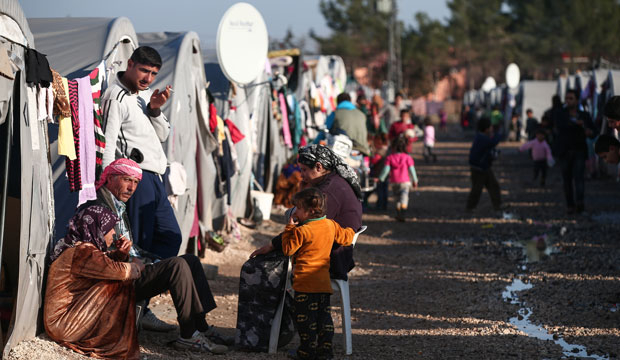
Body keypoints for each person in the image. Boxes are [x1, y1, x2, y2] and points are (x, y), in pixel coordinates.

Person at [91, 159, 229, 354]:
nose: (131, 188)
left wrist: (152, 262)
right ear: (111, 178)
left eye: (136, 182)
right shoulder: (101, 207)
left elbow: (133, 249)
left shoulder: (119, 205)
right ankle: (189, 336)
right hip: (119, 279)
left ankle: (201, 327)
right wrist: (133, 262)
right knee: (177, 266)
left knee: (190, 261)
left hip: (131, 269)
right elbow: (101, 255)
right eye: (126, 180)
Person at [250, 188, 355, 360]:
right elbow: (346, 238)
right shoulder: (330, 225)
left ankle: (306, 352)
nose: (295, 211)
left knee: (305, 320)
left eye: (298, 208)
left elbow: (288, 249)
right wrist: (352, 231)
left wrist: (290, 228)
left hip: (304, 283)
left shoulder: (301, 231)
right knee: (323, 318)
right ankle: (325, 351)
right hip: (323, 283)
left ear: (310, 211)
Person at [102, 46, 181, 259]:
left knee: (170, 237)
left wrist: (154, 109)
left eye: (154, 73)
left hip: (155, 177)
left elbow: (164, 134)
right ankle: (136, 290)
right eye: (144, 70)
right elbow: (107, 143)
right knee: (138, 240)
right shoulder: (115, 96)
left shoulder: (146, 95)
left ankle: (146, 283)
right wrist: (107, 186)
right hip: (135, 177)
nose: (148, 78)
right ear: (130, 64)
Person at [45, 206, 140, 359]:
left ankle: (110, 341)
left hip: (63, 322)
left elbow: (103, 264)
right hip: (63, 325)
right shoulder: (83, 251)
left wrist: (120, 254)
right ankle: (111, 346)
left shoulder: (78, 248)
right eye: (110, 228)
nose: (114, 233)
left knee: (116, 278)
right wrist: (137, 267)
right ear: (99, 228)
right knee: (120, 283)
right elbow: (117, 271)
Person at [554, 89, 596, 214]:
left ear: (577, 100)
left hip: (579, 151)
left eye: (571, 98)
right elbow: (559, 126)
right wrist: (575, 124)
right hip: (565, 151)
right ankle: (570, 205)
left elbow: (594, 130)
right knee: (567, 180)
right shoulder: (561, 113)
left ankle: (580, 203)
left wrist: (589, 132)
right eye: (567, 98)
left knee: (579, 179)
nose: (568, 101)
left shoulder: (584, 115)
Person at [466, 117, 503, 211]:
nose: (492, 129)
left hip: (484, 167)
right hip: (479, 168)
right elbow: (493, 142)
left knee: (493, 186)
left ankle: (498, 206)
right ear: (486, 129)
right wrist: (499, 133)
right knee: (477, 189)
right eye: (490, 127)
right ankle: (470, 207)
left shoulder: (481, 137)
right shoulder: (482, 138)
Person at [378, 136, 419, 221]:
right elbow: (412, 170)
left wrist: (381, 178)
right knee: (404, 196)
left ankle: (398, 212)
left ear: (393, 146)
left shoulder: (390, 158)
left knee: (397, 198)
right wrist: (415, 180)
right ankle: (403, 212)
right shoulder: (407, 157)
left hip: (394, 182)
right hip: (405, 182)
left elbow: (386, 170)